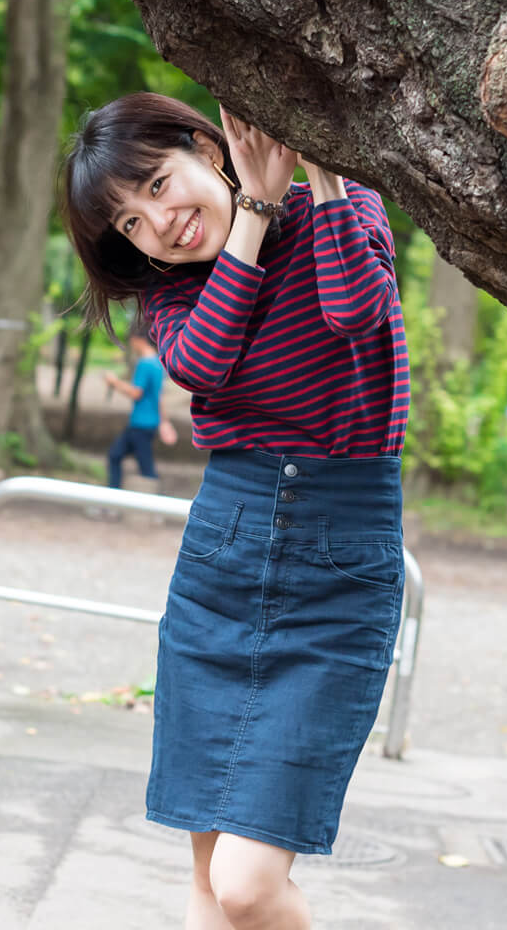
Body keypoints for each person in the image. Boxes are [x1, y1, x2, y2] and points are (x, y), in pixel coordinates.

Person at [60, 92, 408, 930]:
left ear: (204, 144)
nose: (158, 222)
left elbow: (355, 313)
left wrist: (311, 175)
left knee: (249, 885)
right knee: (209, 883)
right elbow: (202, 366)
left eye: (155, 183)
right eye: (132, 225)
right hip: (227, 547)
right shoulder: (172, 295)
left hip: (340, 560)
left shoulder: (346, 203)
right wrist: (248, 211)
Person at [104, 332, 165, 489]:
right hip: (148, 422)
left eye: (131, 341)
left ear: (138, 339)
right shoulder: (158, 361)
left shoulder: (145, 363)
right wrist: (165, 421)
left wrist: (114, 382)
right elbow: (159, 396)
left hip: (141, 424)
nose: (131, 345)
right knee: (115, 455)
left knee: (146, 468)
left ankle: (154, 508)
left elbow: (136, 392)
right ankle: (112, 502)